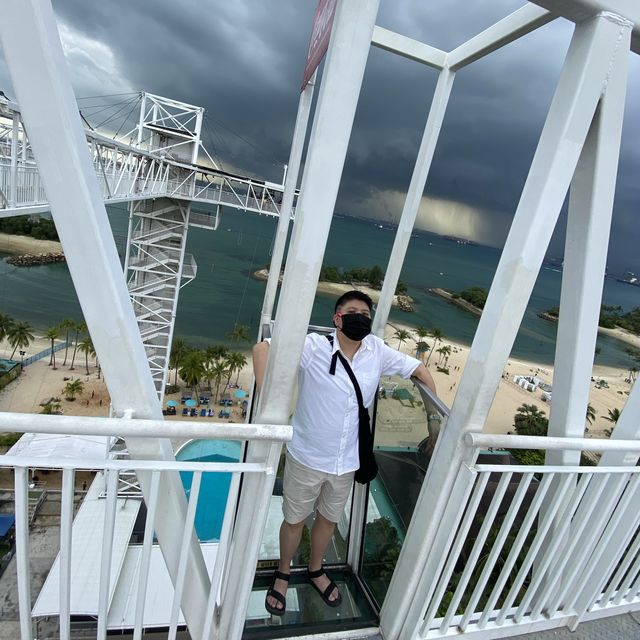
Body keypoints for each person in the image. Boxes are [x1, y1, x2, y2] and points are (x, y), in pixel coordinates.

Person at [252, 290, 436, 616]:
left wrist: (434, 420)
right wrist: (269, 405)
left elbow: (419, 370)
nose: (359, 318)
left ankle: (316, 569)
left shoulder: (376, 351)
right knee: (294, 521)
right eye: (352, 311)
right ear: (337, 318)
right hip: (306, 457)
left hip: (346, 462)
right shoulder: (312, 347)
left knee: (327, 520)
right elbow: (262, 349)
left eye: (365, 314)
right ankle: (282, 573)